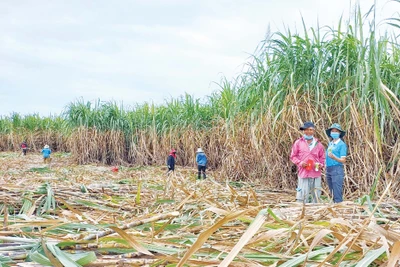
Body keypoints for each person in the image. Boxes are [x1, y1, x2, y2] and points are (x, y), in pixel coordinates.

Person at [290, 121, 325, 203]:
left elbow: (322, 157)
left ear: (314, 131)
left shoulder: (318, 144)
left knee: (316, 194)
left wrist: (321, 165)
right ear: (303, 131)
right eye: (306, 130)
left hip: (315, 173)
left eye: (311, 130)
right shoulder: (298, 142)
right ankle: (301, 210)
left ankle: (315, 211)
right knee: (302, 194)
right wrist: (300, 163)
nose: (309, 132)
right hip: (304, 172)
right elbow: (293, 156)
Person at [325, 123, 347, 203]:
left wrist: (334, 158)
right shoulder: (330, 143)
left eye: (336, 131)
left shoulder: (341, 145)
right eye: (332, 131)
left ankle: (339, 207)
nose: (334, 132)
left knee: (337, 191)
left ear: (339, 133)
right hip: (328, 169)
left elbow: (343, 160)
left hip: (336, 169)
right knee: (332, 191)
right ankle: (335, 206)